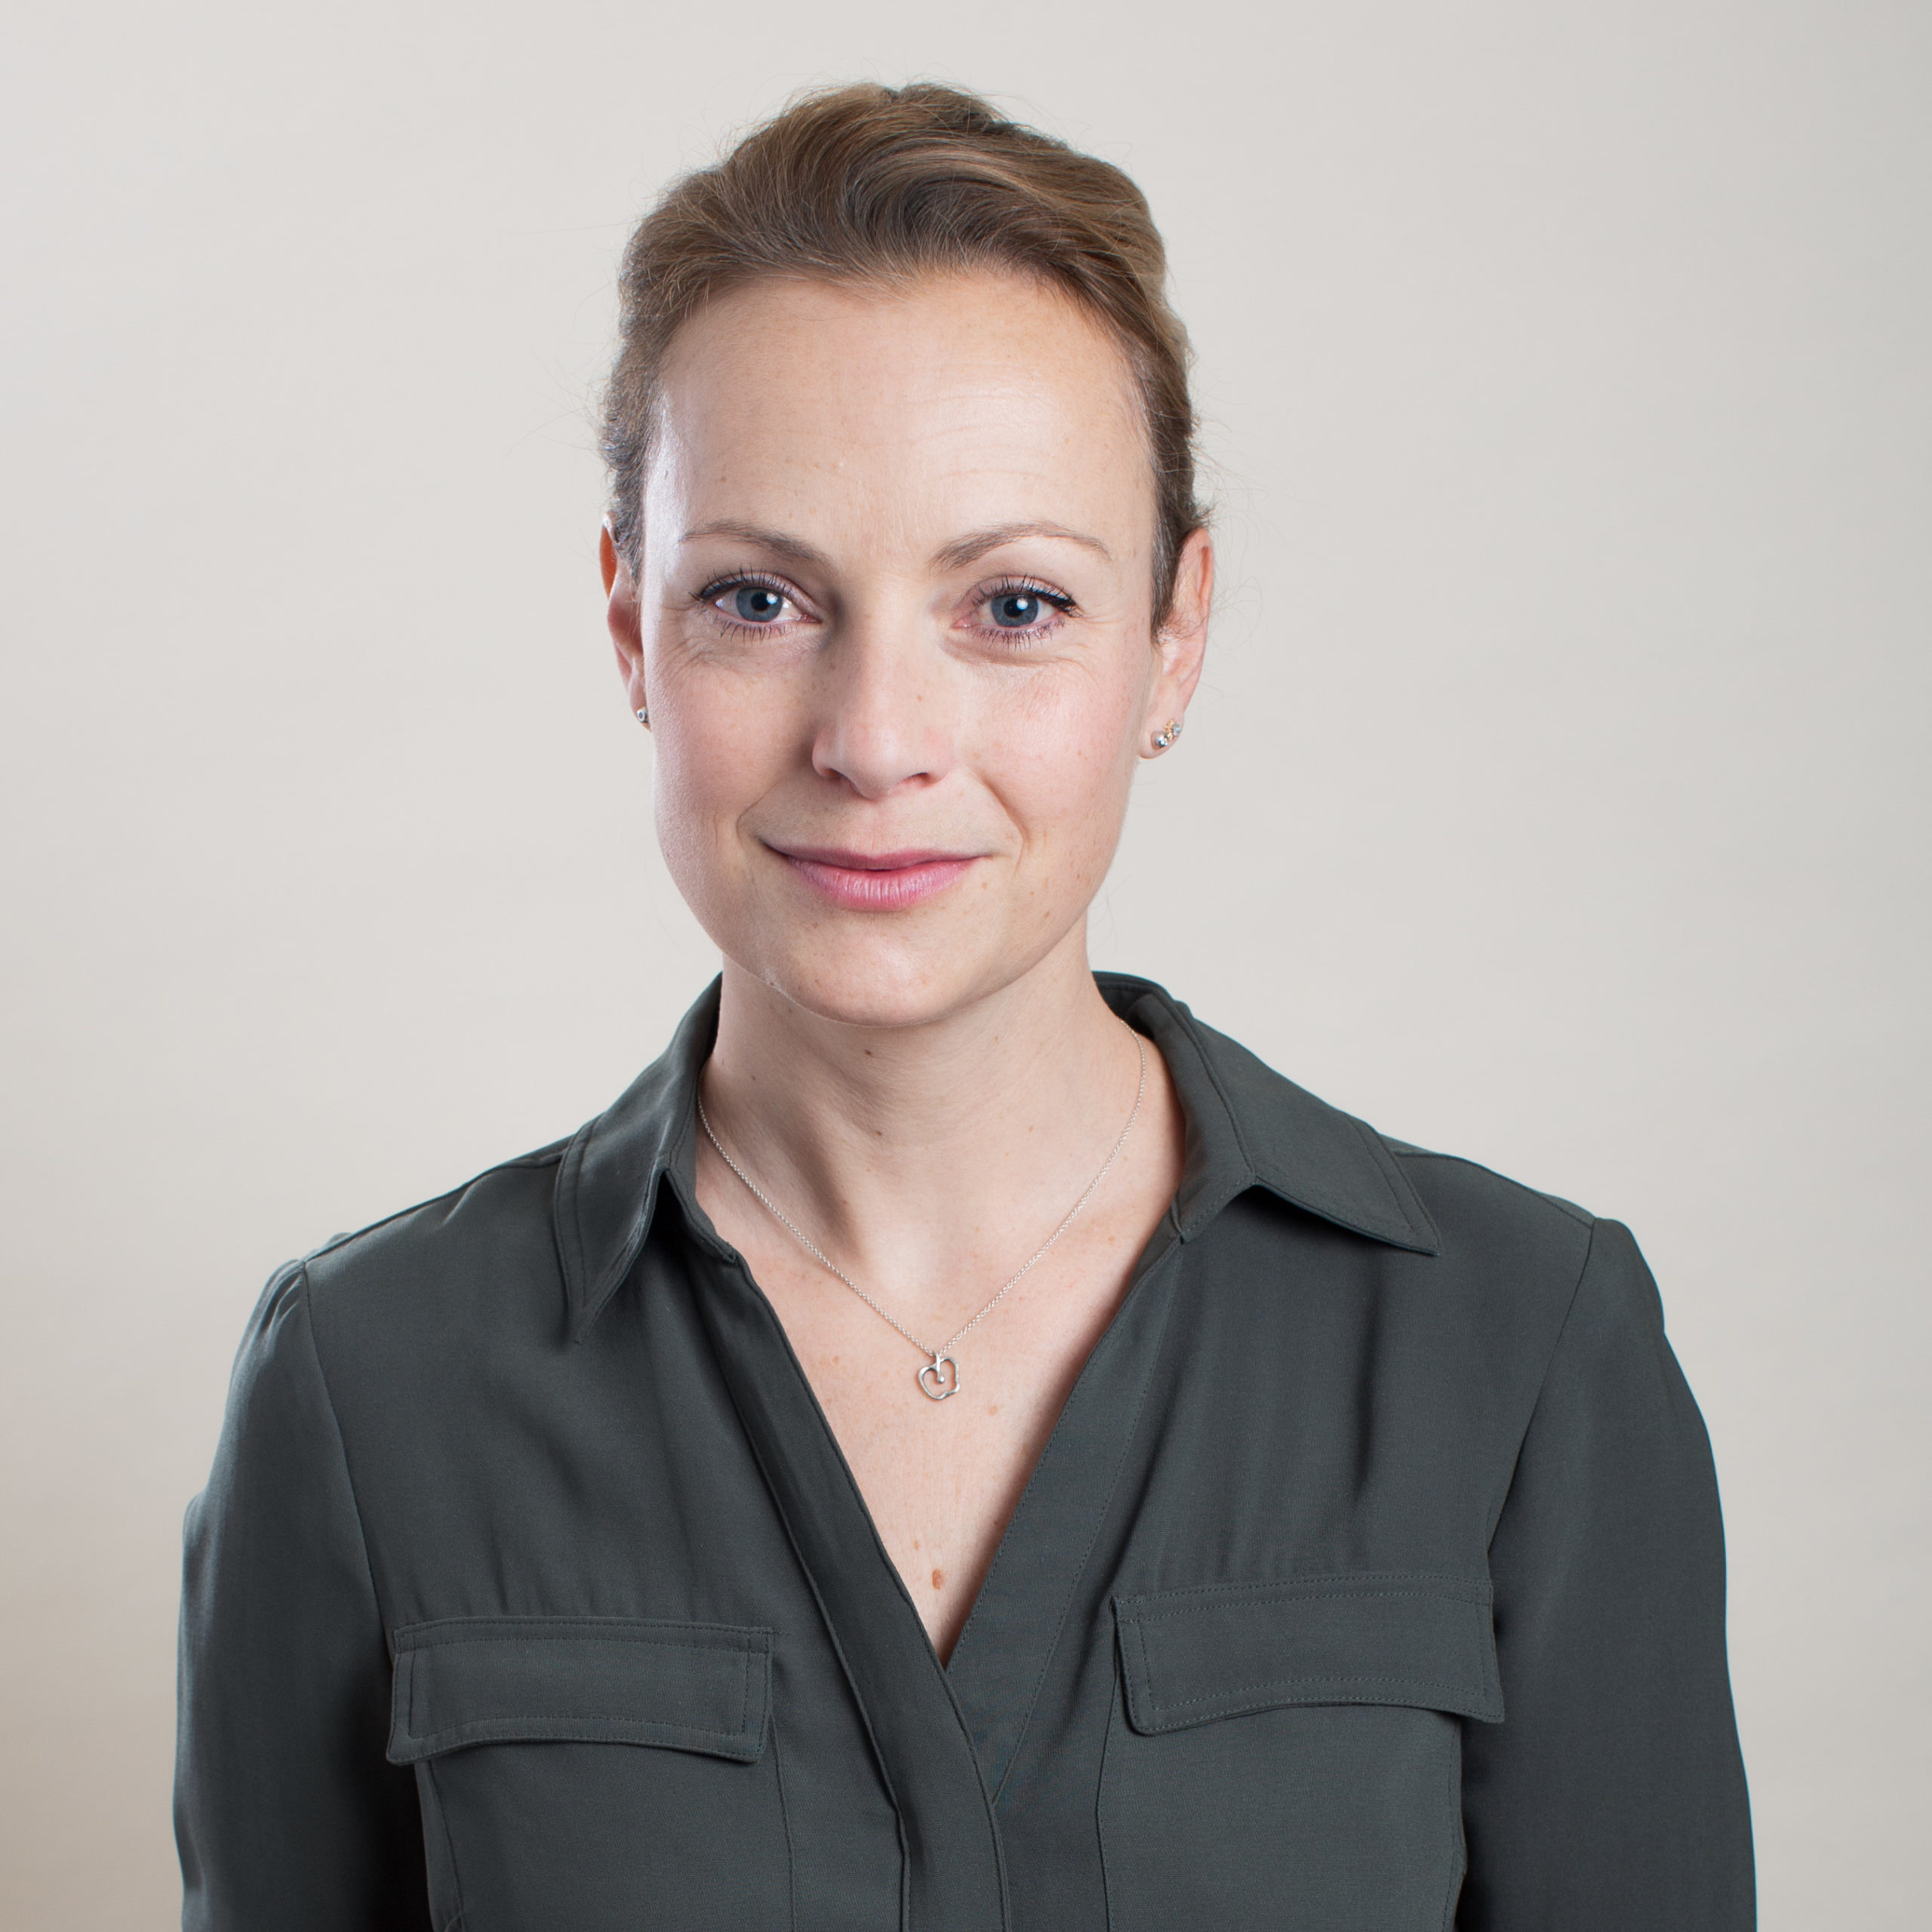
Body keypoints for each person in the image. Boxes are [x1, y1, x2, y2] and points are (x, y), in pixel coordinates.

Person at [174, 82, 1754, 1932]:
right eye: (758, 598)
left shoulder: (1518, 1353)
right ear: (628, 628)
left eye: (1010, 606)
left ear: (1173, 636)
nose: (874, 740)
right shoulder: (364, 1384)